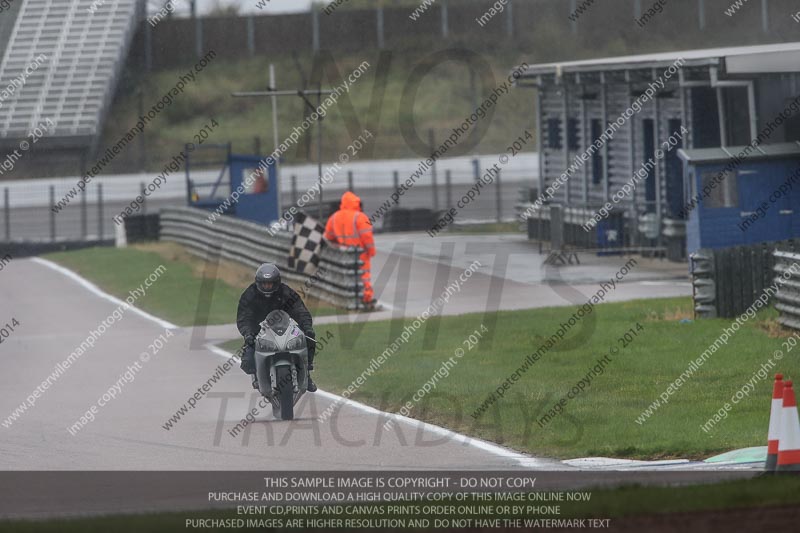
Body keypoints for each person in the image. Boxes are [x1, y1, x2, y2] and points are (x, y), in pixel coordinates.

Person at [236, 263, 317, 392]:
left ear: (277, 282)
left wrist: (306, 327)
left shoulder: (285, 291)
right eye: (264, 284)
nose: (267, 287)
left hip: (284, 327)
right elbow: (243, 317)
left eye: (270, 284)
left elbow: (299, 309)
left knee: (309, 337)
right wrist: (248, 333)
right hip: (258, 330)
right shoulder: (249, 294)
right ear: (258, 283)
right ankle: (257, 375)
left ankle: (307, 373)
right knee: (247, 361)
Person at [324, 191, 376, 306]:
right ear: (355, 202)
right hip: (360, 254)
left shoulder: (334, 217)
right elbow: (367, 236)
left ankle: (348, 300)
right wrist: (371, 251)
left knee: (347, 277)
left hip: (343, 254)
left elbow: (328, 237)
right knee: (364, 278)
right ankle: (366, 300)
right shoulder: (360, 217)